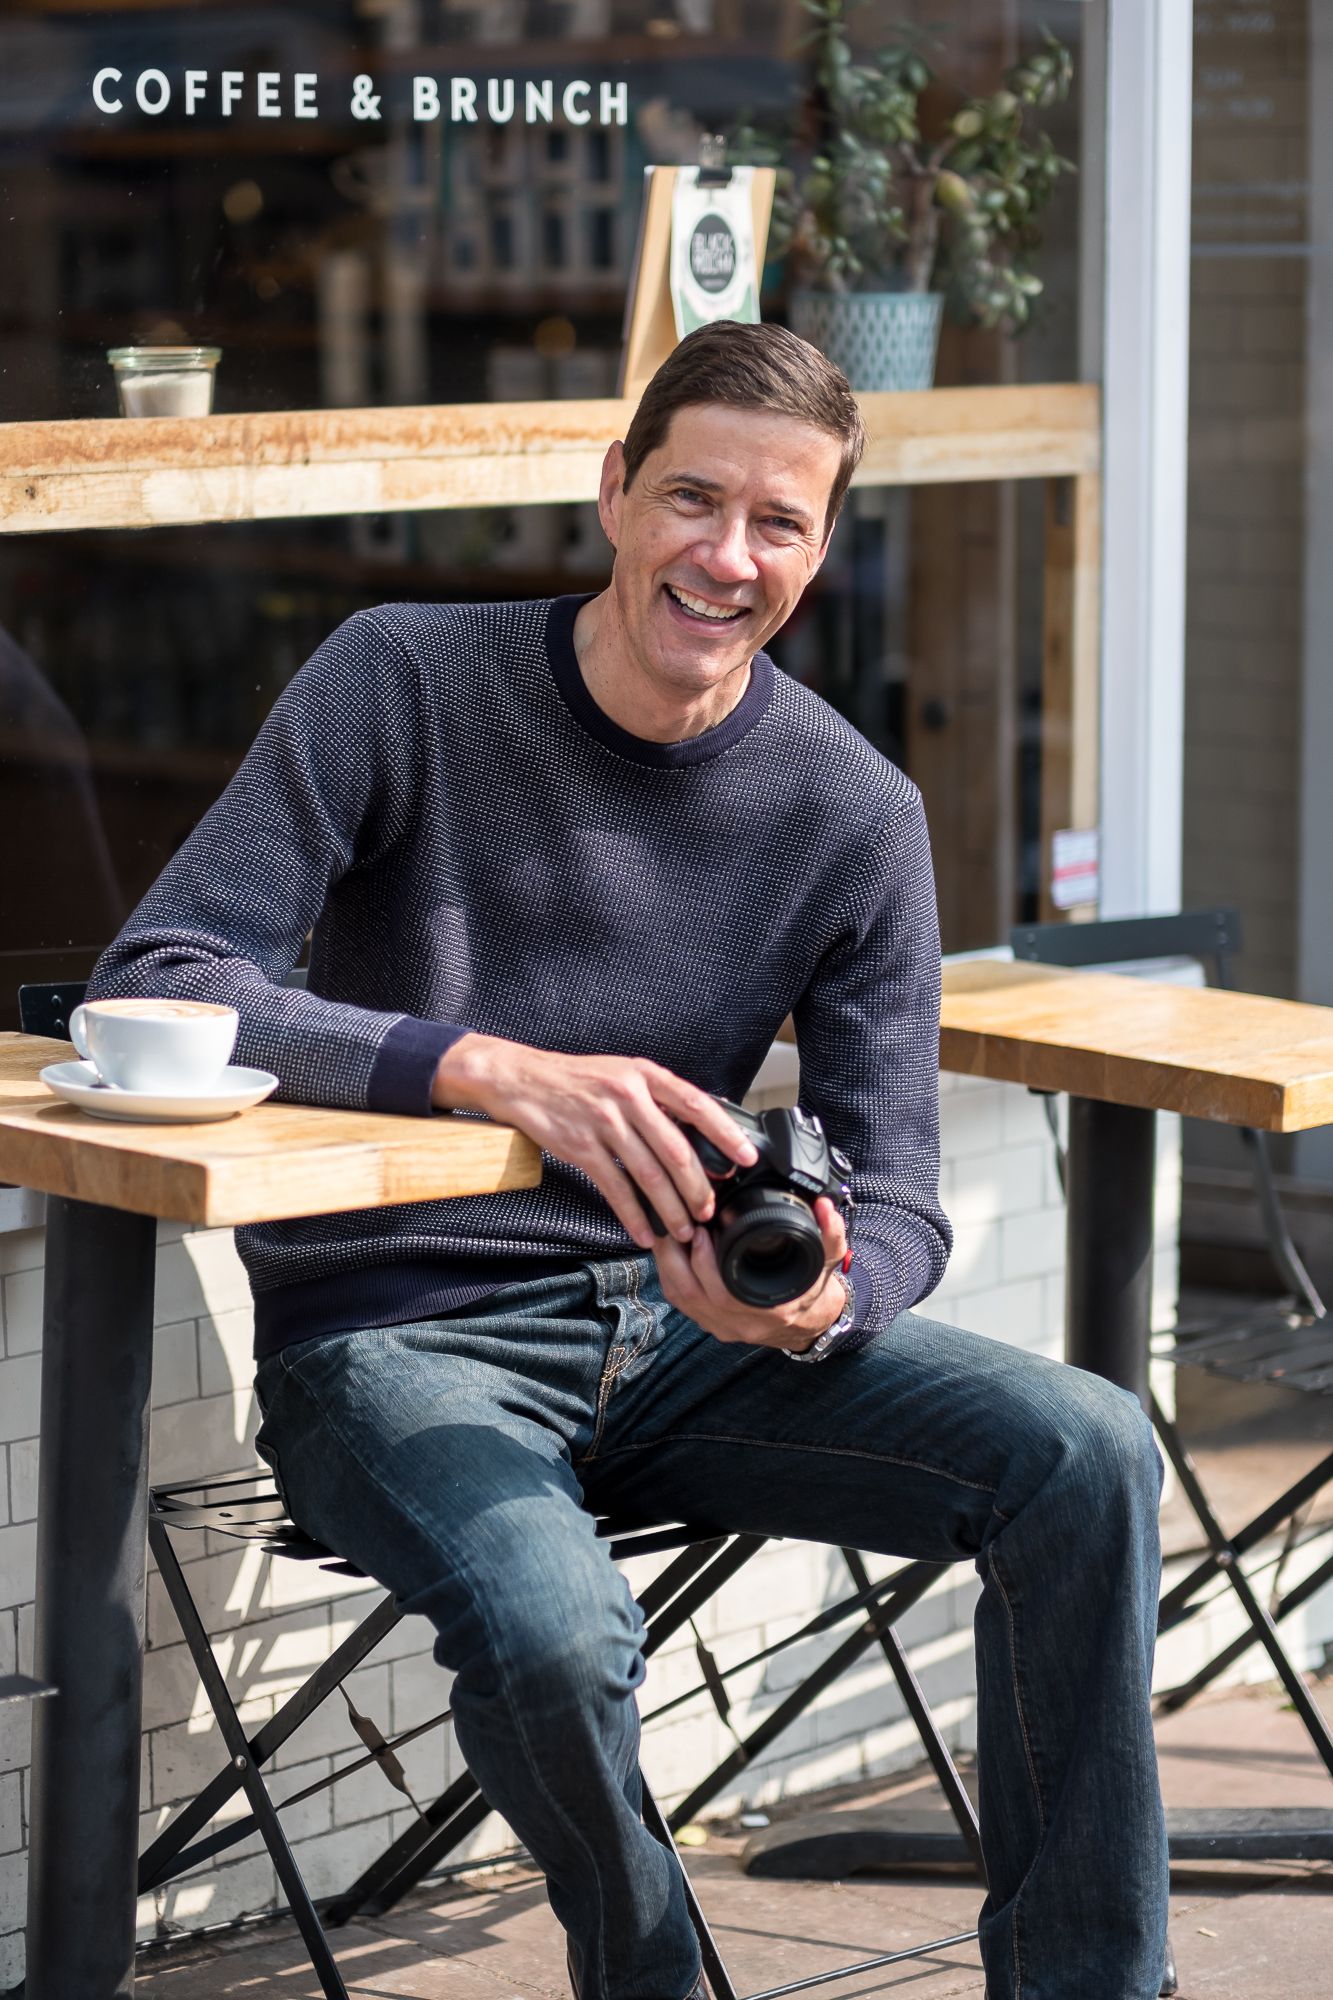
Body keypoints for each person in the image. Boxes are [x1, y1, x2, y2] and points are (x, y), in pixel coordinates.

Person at [89, 321, 1168, 2000]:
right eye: (691, 500)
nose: (724, 558)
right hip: (393, 1338)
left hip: (686, 1343)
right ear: (613, 491)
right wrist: (474, 1068)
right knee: (557, 1630)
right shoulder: (404, 677)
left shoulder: (853, 812)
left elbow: (893, 1199)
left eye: (778, 524)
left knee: (1088, 1447)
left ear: (821, 547)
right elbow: (158, 976)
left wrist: (814, 1302)